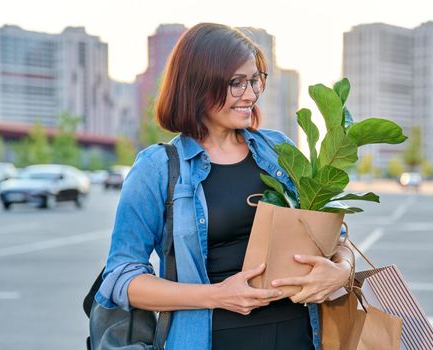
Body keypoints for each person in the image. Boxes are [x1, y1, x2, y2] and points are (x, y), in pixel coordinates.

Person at [96, 23, 354, 350]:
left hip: (301, 337)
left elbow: (333, 236)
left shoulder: (278, 151)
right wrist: (218, 295)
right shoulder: (157, 169)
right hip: (208, 340)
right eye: (236, 83)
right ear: (197, 85)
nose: (250, 94)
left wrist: (341, 270)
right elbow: (122, 280)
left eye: (255, 79)